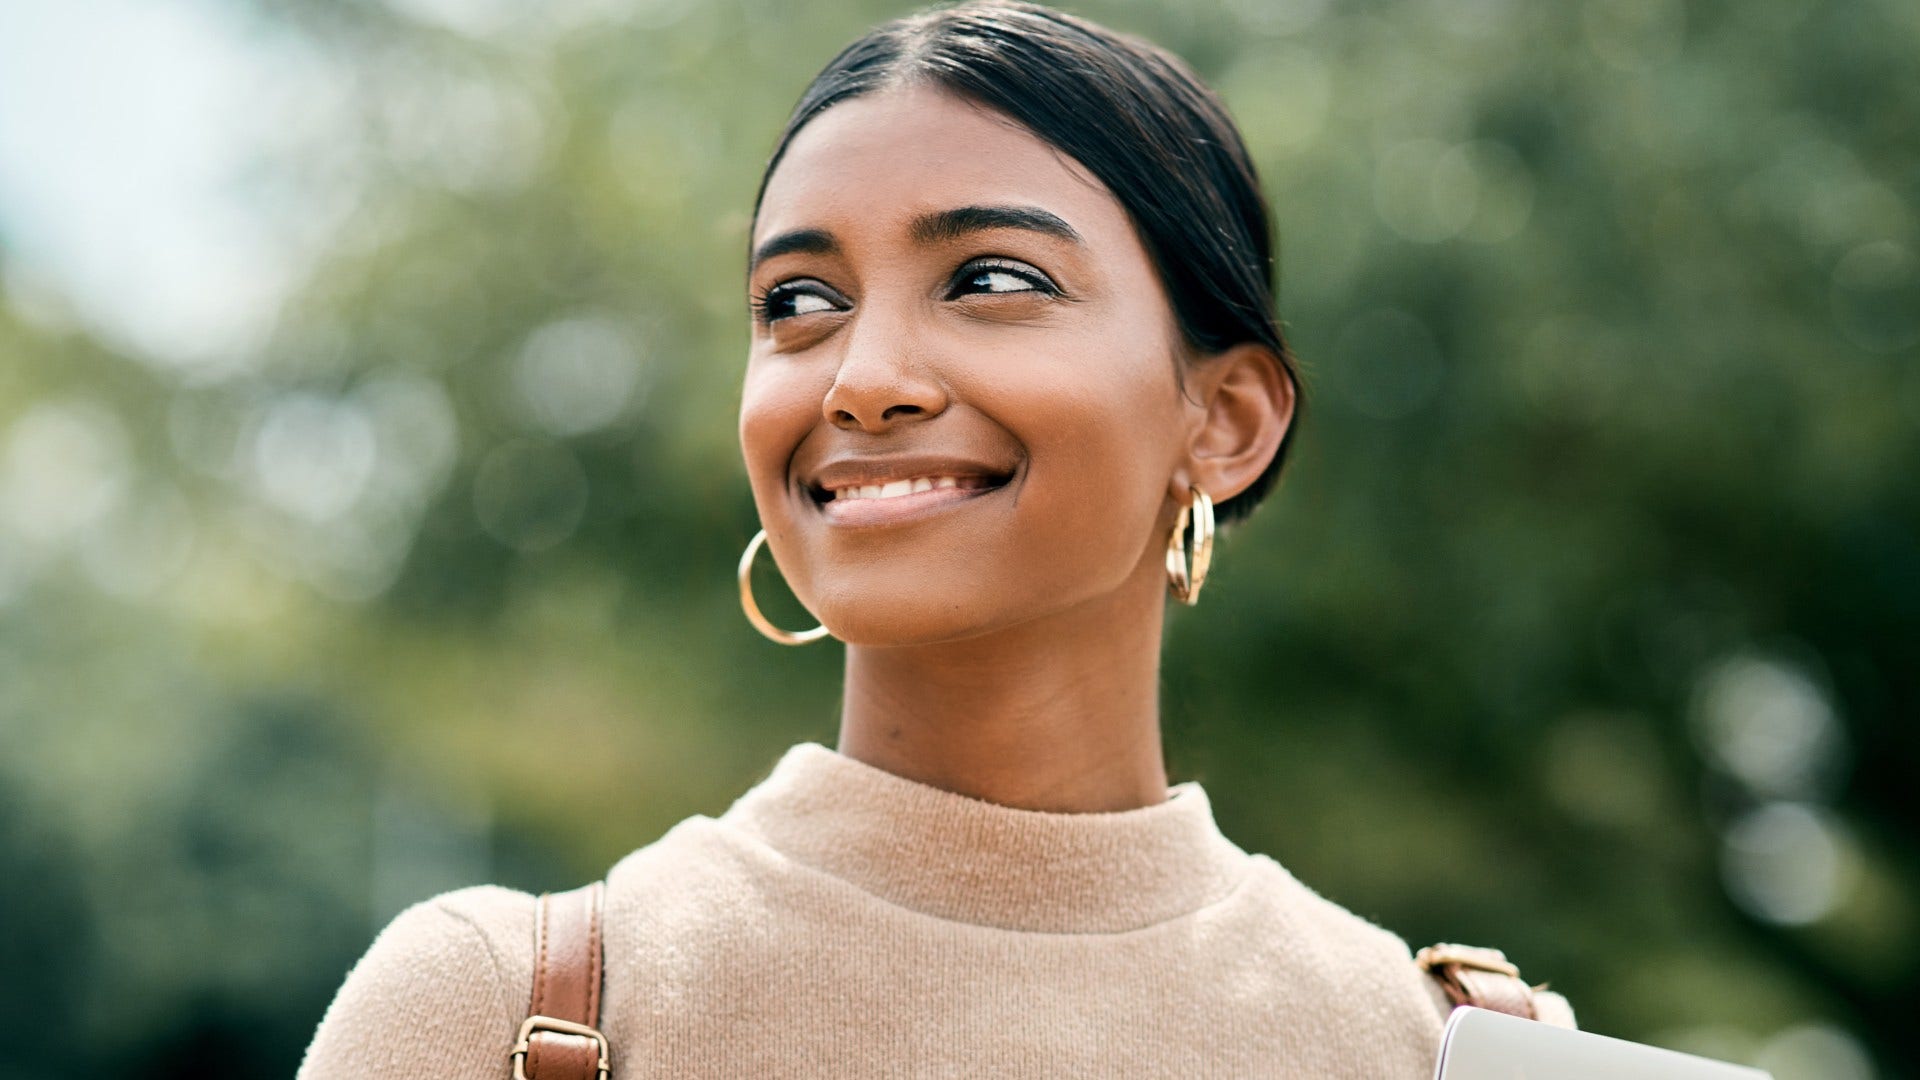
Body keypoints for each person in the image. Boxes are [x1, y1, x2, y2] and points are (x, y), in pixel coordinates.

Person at [297, 2, 1574, 1075]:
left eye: (992, 279)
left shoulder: (1459, 1057)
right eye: (797, 302)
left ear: (1226, 418)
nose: (861, 377)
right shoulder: (505, 1019)